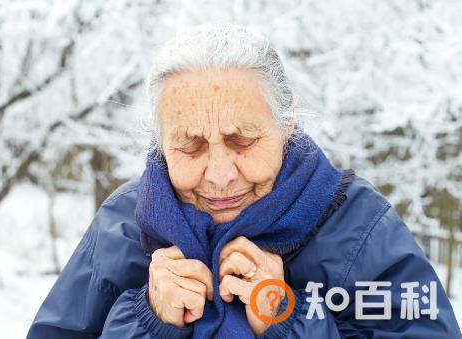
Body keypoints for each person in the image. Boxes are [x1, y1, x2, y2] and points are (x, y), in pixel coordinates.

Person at [27, 24, 461, 338]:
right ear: (159, 143)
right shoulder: (121, 225)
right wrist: (147, 321)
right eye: (190, 146)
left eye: (242, 141)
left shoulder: (358, 227)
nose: (219, 174)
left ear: (286, 125)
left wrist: (287, 320)